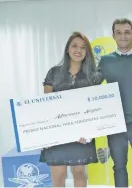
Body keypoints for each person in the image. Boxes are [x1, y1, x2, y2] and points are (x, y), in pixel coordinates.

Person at [40, 31, 102, 187]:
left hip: (82, 134)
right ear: (67, 49)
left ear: (87, 52)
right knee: (59, 176)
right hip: (57, 132)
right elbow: (46, 106)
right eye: (74, 46)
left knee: (80, 173)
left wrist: (89, 131)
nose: (78, 50)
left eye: (83, 47)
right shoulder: (53, 73)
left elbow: (96, 108)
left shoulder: (93, 76)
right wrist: (45, 134)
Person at [96, 18, 132, 187]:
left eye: (127, 32)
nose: (123, 36)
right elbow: (91, 88)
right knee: (119, 166)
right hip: (115, 124)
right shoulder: (105, 61)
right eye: (118, 32)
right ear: (113, 36)